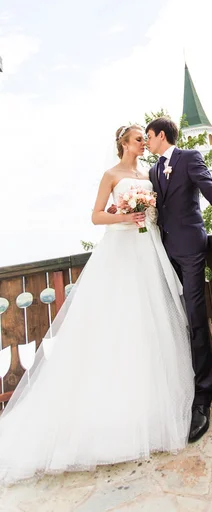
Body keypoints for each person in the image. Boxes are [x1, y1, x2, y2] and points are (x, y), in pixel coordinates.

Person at [0, 125, 195, 485]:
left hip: (147, 249)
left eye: (144, 137)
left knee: (149, 325)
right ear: (124, 143)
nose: (143, 142)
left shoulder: (148, 174)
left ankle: (149, 409)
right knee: (117, 324)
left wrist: (147, 215)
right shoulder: (111, 175)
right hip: (121, 251)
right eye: (138, 137)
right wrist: (126, 215)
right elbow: (96, 216)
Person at [145, 117, 212, 442]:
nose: (147, 143)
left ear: (161, 135)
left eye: (149, 137)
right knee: (173, 318)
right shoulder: (152, 172)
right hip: (164, 252)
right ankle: (181, 382)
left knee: (194, 317)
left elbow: (211, 189)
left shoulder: (189, 158)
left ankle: (202, 397)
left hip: (192, 249)